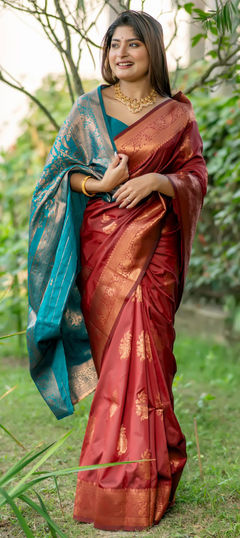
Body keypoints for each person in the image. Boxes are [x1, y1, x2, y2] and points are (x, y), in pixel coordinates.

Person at [27, 10, 207, 532]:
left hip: (157, 250)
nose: (121, 54)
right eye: (113, 46)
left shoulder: (177, 114)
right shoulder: (87, 109)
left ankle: (140, 478)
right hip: (103, 248)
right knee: (120, 363)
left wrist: (157, 184)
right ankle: (122, 477)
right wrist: (100, 187)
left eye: (132, 44)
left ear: (152, 49)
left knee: (148, 355)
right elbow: (52, 181)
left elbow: (194, 175)